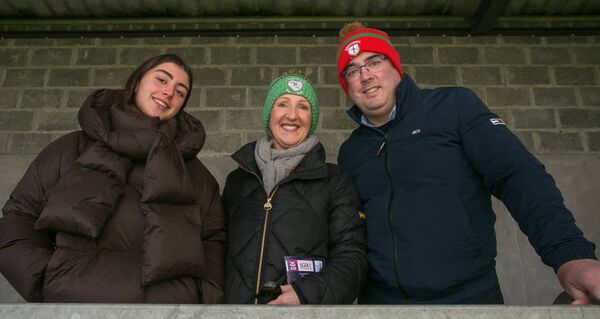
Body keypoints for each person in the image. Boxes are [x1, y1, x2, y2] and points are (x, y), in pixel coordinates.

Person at [335, 22, 600, 304]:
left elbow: (518, 176)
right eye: (352, 70)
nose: (365, 75)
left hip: (468, 297)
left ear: (395, 67)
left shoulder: (453, 106)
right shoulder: (351, 152)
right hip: (382, 304)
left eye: (374, 61)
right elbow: (349, 236)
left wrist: (570, 255)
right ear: (347, 86)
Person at [0, 54, 226, 303]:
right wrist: (42, 279)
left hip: (165, 310)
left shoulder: (194, 174)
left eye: (180, 92)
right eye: (161, 79)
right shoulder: (71, 149)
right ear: (137, 82)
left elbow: (213, 239)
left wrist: (199, 296)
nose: (169, 92)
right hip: (72, 306)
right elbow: (20, 216)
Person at [222, 71, 368, 304]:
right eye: (282, 104)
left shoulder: (336, 180)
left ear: (312, 119)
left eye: (303, 107)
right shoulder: (238, 181)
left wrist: (306, 293)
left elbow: (353, 257)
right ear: (269, 114)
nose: (292, 115)